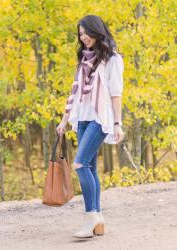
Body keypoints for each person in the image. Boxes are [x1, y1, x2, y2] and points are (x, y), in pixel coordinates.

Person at [56, 15, 125, 238]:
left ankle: (90, 216)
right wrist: (64, 120)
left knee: (79, 164)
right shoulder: (84, 59)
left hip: (99, 119)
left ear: (97, 31)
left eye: (86, 32)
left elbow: (116, 94)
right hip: (83, 118)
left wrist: (117, 123)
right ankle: (98, 220)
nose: (83, 37)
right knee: (91, 168)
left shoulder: (112, 59)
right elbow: (74, 92)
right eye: (80, 33)